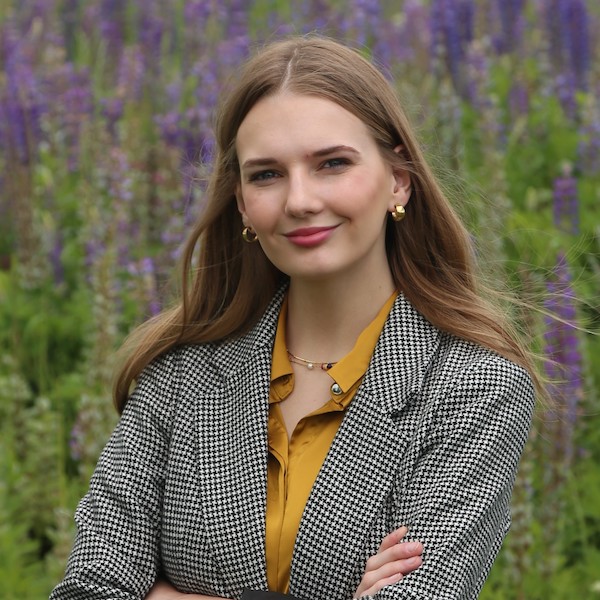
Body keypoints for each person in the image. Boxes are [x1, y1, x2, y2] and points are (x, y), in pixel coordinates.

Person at [50, 35, 537, 600]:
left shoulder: (476, 386)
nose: (299, 200)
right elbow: (87, 589)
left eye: (332, 164)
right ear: (242, 204)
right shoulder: (179, 375)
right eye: (266, 175)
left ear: (398, 180)